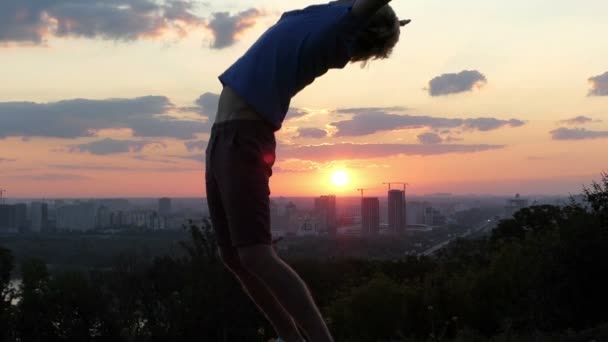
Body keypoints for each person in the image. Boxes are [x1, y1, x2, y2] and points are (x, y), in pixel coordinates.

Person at [205, 0, 409, 340]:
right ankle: (289, 336)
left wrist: (382, 20)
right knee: (233, 257)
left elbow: (363, 10)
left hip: (244, 137)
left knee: (255, 254)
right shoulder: (325, 14)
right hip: (221, 138)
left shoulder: (334, 36)